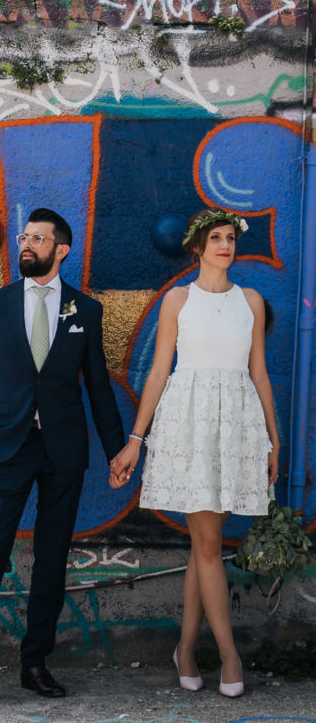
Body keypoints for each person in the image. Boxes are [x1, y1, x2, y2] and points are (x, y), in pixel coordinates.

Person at [0, 208, 125, 712]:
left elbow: (98, 389)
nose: (26, 245)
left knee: (51, 559)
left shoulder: (85, 311)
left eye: (37, 239)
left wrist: (116, 451)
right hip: (9, 447)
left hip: (64, 451)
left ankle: (34, 663)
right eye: (24, 237)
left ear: (60, 249)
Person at [110, 208, 279, 699]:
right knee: (209, 546)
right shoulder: (177, 301)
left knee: (204, 546)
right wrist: (136, 441)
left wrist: (273, 440)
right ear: (197, 248)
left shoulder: (251, 300)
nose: (225, 245)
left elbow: (260, 374)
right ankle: (229, 657)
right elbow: (160, 371)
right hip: (190, 427)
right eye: (216, 238)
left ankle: (185, 649)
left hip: (236, 432)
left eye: (230, 238)